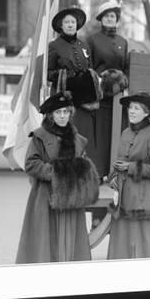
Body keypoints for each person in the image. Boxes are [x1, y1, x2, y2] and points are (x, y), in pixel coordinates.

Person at [16, 91, 100, 263]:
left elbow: (83, 163)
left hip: (72, 200)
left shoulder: (78, 139)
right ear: (51, 115)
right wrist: (58, 173)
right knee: (47, 241)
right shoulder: (39, 136)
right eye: (58, 112)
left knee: (71, 242)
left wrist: (83, 170)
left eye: (66, 112)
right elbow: (31, 164)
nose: (62, 116)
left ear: (70, 114)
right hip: (46, 197)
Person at [107, 92, 150, 259]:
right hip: (124, 198)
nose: (131, 111)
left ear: (146, 113)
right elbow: (120, 161)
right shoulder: (125, 133)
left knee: (141, 242)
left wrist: (130, 167)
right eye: (130, 107)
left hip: (142, 200)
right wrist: (113, 177)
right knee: (121, 241)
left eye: (136, 108)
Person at [47, 7, 103, 171]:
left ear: (77, 25)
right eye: (67, 22)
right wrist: (65, 76)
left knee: (82, 136)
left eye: (73, 22)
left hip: (84, 102)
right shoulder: (54, 46)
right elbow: (48, 73)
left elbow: (90, 69)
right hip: (64, 101)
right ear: (61, 26)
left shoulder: (84, 45)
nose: (70, 25)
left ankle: (83, 170)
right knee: (65, 138)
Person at [87, 0, 129, 179]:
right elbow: (89, 66)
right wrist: (100, 81)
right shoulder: (92, 40)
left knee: (118, 134)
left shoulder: (123, 41)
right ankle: (99, 172)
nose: (110, 19)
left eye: (113, 16)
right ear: (101, 19)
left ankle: (115, 173)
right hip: (101, 95)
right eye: (107, 16)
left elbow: (126, 66)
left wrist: (124, 81)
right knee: (101, 135)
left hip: (118, 97)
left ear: (117, 19)